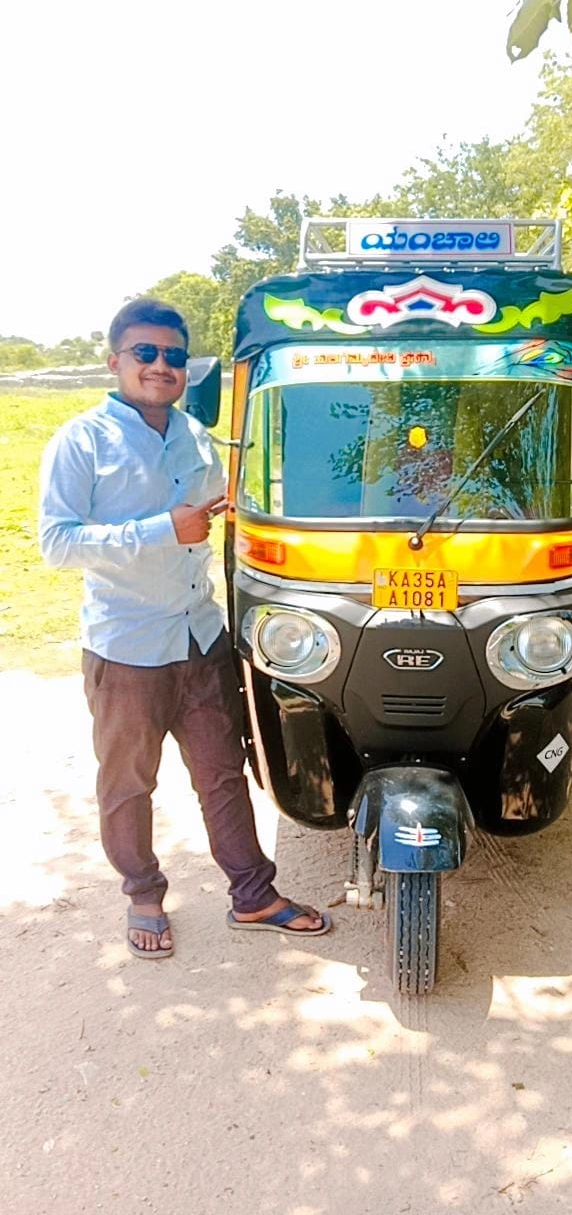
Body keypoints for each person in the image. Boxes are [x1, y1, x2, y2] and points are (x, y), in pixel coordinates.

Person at [39, 297, 331, 959]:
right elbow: (57, 543)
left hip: (202, 639)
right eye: (145, 353)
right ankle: (143, 894)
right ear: (115, 361)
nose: (160, 365)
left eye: (173, 355)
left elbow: (214, 514)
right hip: (128, 648)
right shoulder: (80, 441)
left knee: (222, 774)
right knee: (128, 782)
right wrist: (162, 529)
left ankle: (254, 895)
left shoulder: (197, 437)